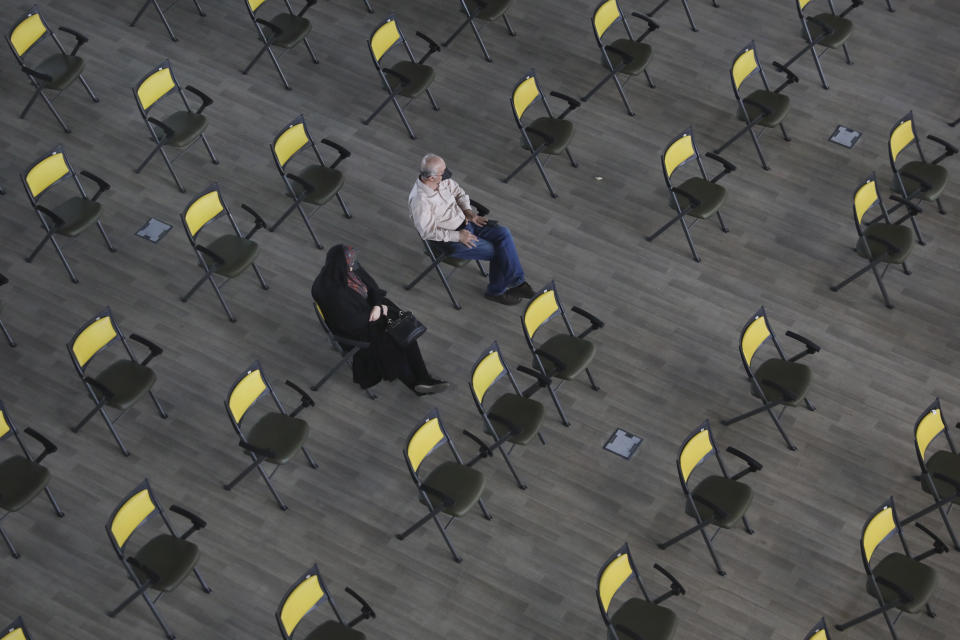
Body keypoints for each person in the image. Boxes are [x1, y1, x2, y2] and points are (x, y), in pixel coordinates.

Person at [311, 245, 448, 395]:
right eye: (350, 265)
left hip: (373, 313)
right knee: (393, 342)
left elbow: (373, 287)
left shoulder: (349, 268)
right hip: (357, 331)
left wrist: (377, 306)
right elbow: (350, 323)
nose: (353, 267)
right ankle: (417, 384)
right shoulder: (333, 293)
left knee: (403, 331)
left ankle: (423, 378)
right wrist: (378, 310)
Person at [408, 154, 534, 305]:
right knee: (498, 252)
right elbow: (427, 232)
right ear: (431, 178)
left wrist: (469, 212)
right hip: (450, 240)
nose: (447, 175)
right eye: (443, 172)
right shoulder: (420, 201)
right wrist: (458, 236)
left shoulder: (443, 180)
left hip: (467, 222)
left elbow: (460, 194)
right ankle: (496, 292)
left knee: (503, 233)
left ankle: (518, 283)